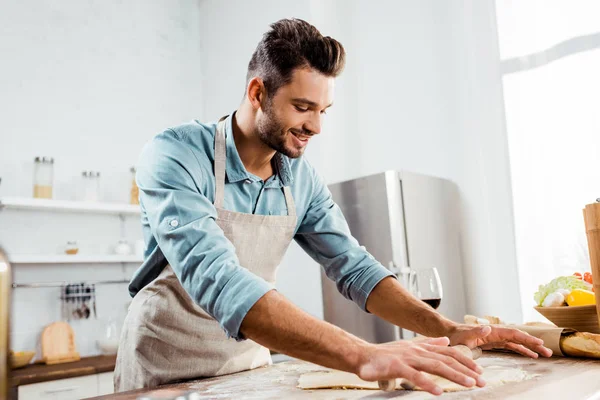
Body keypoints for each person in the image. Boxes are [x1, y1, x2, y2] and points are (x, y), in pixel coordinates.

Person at [114, 18, 551, 395]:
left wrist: (447, 329)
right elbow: (221, 282)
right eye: (303, 107)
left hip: (245, 369)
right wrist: (362, 355)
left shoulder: (299, 179)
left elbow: (355, 268)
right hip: (163, 371)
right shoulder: (174, 155)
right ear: (256, 92)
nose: (316, 126)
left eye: (324, 110)